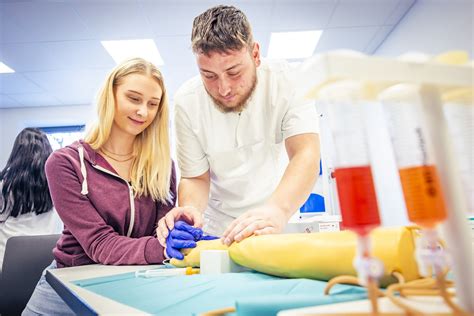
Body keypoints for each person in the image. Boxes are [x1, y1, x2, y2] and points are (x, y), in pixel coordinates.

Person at [157, 5, 320, 252]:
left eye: (234, 72)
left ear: (255, 54)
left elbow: (305, 153)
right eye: (208, 75)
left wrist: (277, 210)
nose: (223, 88)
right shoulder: (186, 101)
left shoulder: (289, 81)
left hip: (274, 217)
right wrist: (190, 209)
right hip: (217, 230)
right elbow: (195, 177)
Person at [22, 57, 176, 315]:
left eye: (153, 104)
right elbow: (100, 244)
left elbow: (161, 232)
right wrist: (165, 248)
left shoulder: (162, 166)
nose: (143, 112)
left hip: (136, 282)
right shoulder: (64, 163)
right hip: (68, 286)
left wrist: (176, 234)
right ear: (110, 96)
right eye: (134, 98)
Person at [0, 128, 62, 272]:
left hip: (6, 258)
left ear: (17, 152)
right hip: (45, 258)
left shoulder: (5, 185)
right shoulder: (57, 183)